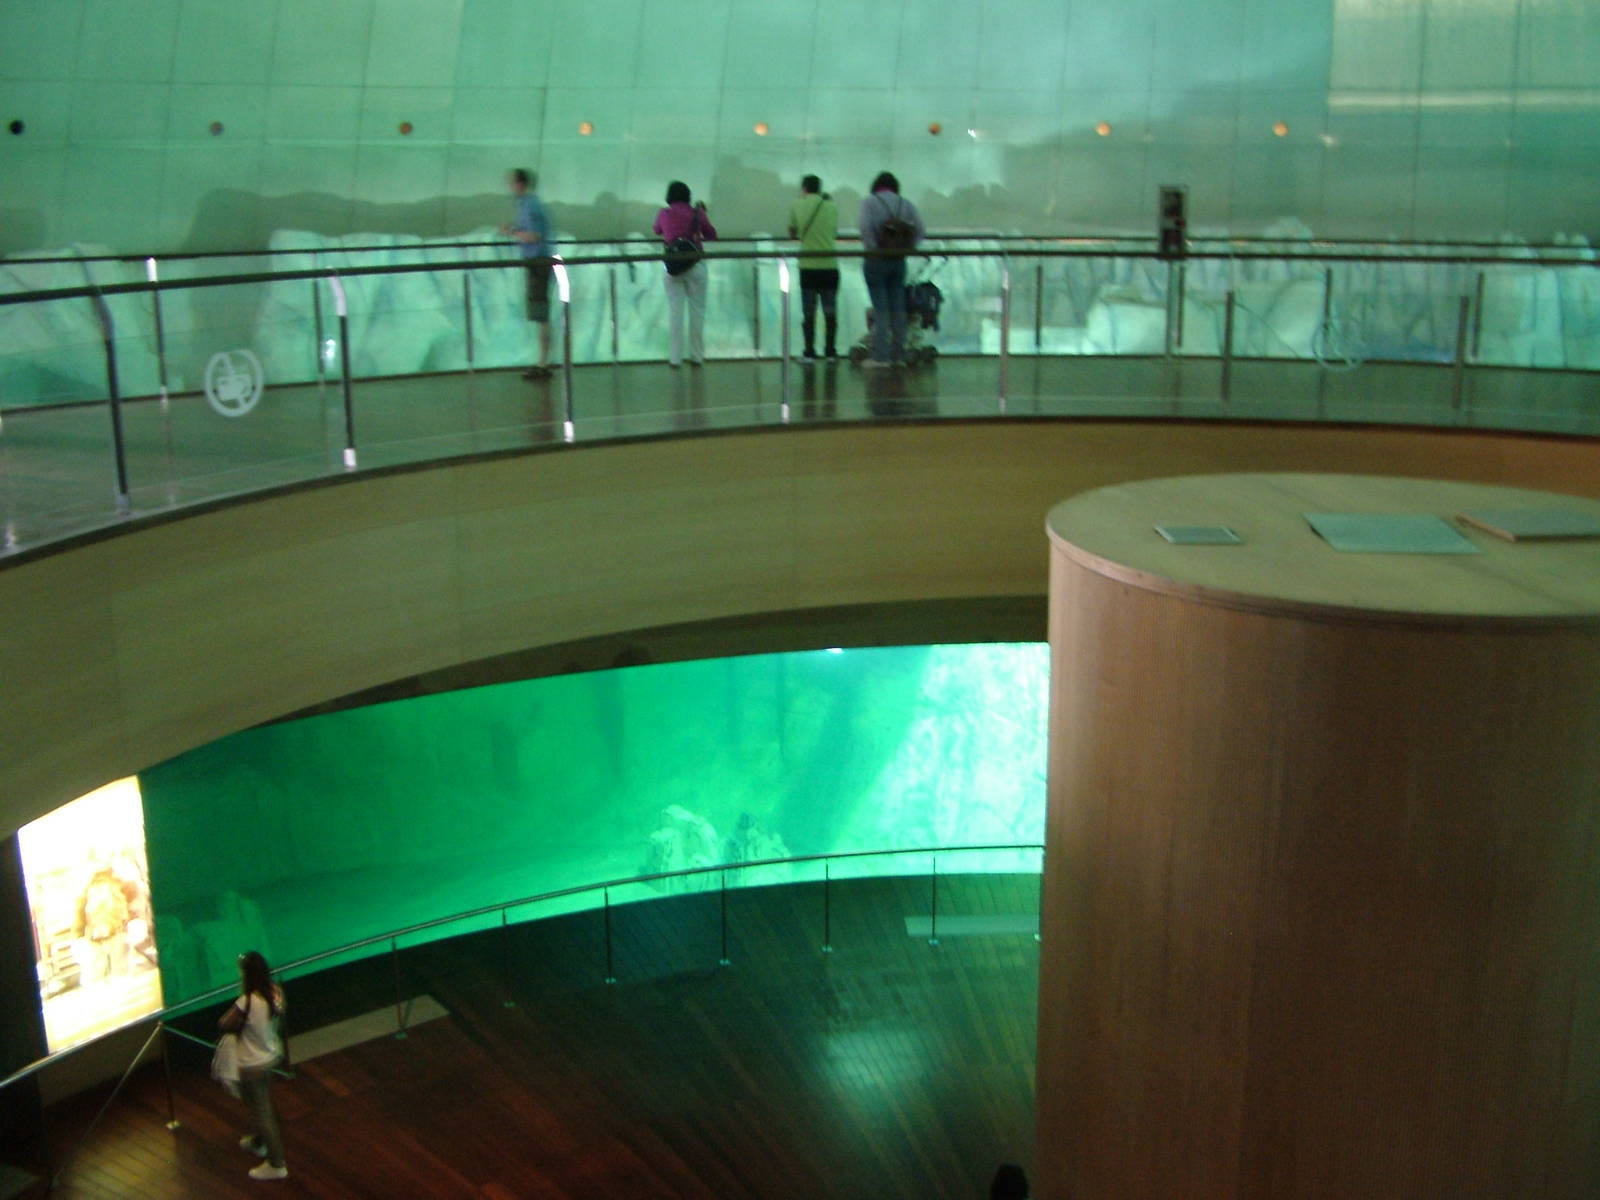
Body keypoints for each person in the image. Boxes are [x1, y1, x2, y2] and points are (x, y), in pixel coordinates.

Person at [221, 951, 289, 1181]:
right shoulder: (275, 992)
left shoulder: (247, 1001)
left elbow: (224, 1022)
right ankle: (259, 1142)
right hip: (269, 1056)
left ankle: (276, 1162)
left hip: (251, 1063)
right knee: (259, 1105)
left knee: (261, 1111)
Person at [856, 171, 925, 368]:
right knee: (898, 307)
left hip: (876, 260)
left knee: (881, 308)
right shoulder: (905, 204)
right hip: (898, 260)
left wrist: (874, 248)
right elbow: (921, 230)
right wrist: (908, 247)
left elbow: (864, 227)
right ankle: (898, 354)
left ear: (876, 186)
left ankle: (881, 356)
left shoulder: (869, 202)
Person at [652, 181, 718, 367]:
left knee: (675, 313)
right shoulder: (697, 212)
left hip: (673, 266)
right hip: (695, 265)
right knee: (697, 311)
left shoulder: (664, 213)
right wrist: (702, 215)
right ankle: (697, 357)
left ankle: (675, 359)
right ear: (688, 195)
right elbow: (712, 235)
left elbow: (656, 230)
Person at [501, 168, 554, 380]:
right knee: (539, 312)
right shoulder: (526, 203)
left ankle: (543, 362)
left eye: (513, 182)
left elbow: (533, 236)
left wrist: (511, 232)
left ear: (520, 183)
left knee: (541, 313)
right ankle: (542, 361)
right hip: (535, 261)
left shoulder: (530, 204)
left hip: (539, 262)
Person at [787, 175, 839, 362]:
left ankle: (809, 352)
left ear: (804, 188)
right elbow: (833, 232)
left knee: (809, 313)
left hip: (808, 267)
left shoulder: (797, 204)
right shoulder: (831, 206)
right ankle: (830, 352)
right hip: (830, 266)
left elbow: (793, 232)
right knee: (830, 311)